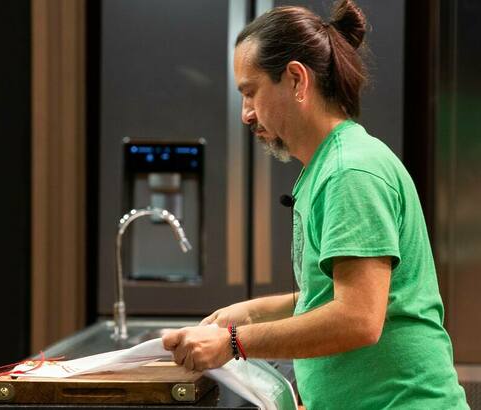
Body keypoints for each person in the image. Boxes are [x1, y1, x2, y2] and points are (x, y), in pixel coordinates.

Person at [161, 1, 469, 408]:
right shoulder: (331, 165)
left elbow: (357, 319)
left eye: (250, 93)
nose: (246, 114)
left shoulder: (349, 172)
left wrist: (233, 342)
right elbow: (333, 295)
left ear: (295, 79)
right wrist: (251, 313)